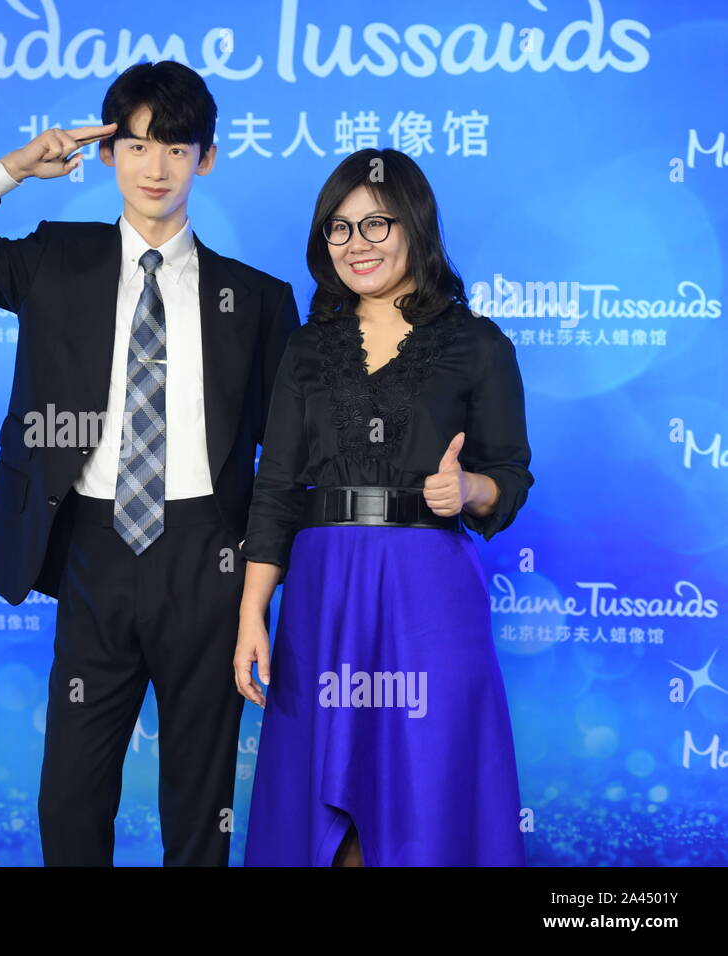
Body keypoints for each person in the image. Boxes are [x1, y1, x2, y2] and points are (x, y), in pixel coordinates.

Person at [0, 60, 297, 866]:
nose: (155, 166)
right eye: (137, 144)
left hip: (207, 552)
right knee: (72, 791)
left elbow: (285, 458)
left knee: (201, 790)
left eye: (176, 148)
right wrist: (13, 169)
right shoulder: (55, 259)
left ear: (206, 159)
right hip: (93, 543)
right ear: (108, 154)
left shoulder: (256, 298)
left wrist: (259, 578)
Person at [234, 148, 531, 867]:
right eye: (340, 229)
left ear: (416, 227)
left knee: (423, 795)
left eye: (376, 225)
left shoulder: (477, 343)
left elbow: (510, 477)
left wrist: (467, 492)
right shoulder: (307, 350)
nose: (357, 245)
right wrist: (251, 615)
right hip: (324, 594)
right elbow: (275, 486)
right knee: (323, 814)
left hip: (428, 591)